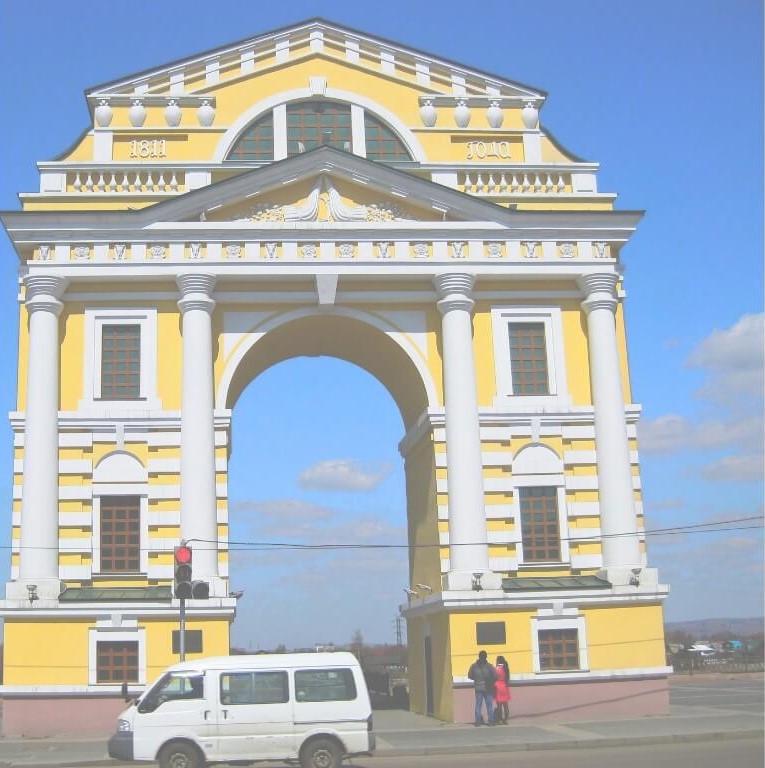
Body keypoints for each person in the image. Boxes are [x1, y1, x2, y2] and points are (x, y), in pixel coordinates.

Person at [467, 650, 497, 725]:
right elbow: (495, 676)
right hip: (488, 687)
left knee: (478, 705)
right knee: (489, 705)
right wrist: (490, 680)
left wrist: (476, 679)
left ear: (479, 656)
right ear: (486, 657)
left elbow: (469, 676)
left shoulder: (473, 666)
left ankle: (477, 722)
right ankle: (491, 721)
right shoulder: (489, 666)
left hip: (478, 687)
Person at [494, 655, 511, 724]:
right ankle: (506, 719)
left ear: (497, 661)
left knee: (499, 705)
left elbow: (494, 677)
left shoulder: (497, 668)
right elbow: (507, 678)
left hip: (497, 686)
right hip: (505, 686)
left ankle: (499, 719)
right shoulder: (506, 668)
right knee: (505, 704)